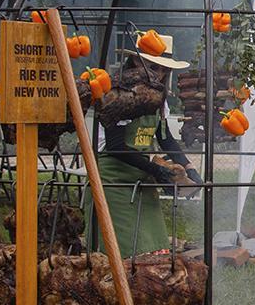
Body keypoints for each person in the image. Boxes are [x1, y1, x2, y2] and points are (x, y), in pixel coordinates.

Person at [85, 33, 202, 257]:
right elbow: (116, 146)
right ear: (137, 62)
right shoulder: (118, 93)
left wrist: (189, 168)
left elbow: (165, 137)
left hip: (140, 178)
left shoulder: (158, 98)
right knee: (121, 253)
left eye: (163, 70)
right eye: (153, 67)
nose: (159, 74)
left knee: (153, 248)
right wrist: (157, 169)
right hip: (113, 181)